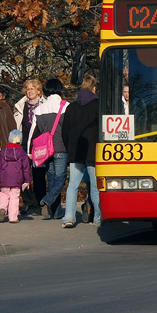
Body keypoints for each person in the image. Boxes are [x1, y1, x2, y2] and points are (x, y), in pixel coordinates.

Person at [61, 74, 101, 228]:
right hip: (93, 151)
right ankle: (98, 218)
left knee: (73, 185)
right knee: (95, 187)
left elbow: (65, 131)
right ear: (94, 88)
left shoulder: (71, 107)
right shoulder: (98, 106)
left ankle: (69, 217)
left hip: (75, 151)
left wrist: (69, 147)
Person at [31, 79, 69, 219]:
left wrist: (30, 151)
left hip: (45, 149)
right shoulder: (65, 106)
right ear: (60, 89)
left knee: (52, 178)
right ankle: (47, 200)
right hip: (60, 147)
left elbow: (33, 132)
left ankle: (56, 212)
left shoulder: (39, 108)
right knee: (61, 178)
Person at [15, 79, 47, 213]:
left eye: (32, 89)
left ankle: (39, 201)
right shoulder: (21, 105)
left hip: (39, 144)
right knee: (23, 173)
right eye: (28, 89)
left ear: (39, 91)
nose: (29, 91)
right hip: (23, 144)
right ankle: (28, 201)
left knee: (39, 174)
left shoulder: (45, 104)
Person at [0, 129, 32, 223]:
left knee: (4, 194)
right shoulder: (22, 153)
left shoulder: (3, 152)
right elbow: (26, 168)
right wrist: (27, 180)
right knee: (14, 197)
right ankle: (13, 217)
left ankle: (2, 208)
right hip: (17, 179)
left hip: (5, 178)